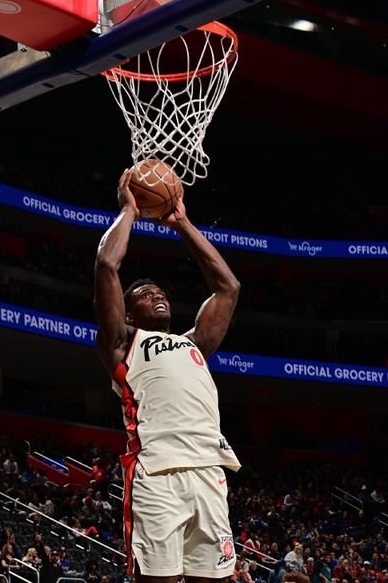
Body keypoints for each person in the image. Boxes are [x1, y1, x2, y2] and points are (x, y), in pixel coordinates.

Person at [94, 170, 241, 582]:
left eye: (161, 293)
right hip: (157, 475)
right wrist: (130, 210)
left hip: (209, 473)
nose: (158, 296)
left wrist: (181, 224)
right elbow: (107, 264)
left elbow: (228, 287)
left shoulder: (195, 343)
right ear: (127, 312)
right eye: (145, 295)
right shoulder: (122, 343)